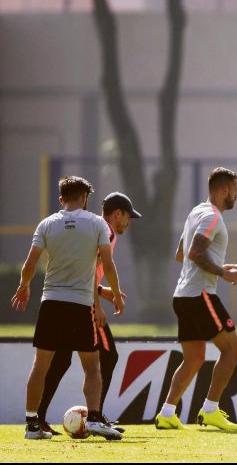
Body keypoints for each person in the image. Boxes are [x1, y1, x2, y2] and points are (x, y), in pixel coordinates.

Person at [11, 176, 125, 440]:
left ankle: (31, 424)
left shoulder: (47, 224)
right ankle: (95, 419)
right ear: (85, 198)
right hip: (81, 304)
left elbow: (30, 264)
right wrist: (116, 294)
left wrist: (24, 286)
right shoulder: (97, 223)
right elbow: (108, 266)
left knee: (40, 366)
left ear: (61, 199)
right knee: (92, 367)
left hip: (50, 303)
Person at [36, 192, 142, 436]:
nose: (129, 222)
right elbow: (92, 269)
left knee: (61, 360)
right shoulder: (106, 231)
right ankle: (95, 416)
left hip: (65, 299)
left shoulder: (91, 225)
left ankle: (39, 418)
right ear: (118, 214)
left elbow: (83, 268)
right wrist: (97, 306)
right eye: (128, 217)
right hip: (83, 304)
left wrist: (102, 290)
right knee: (108, 355)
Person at [155, 167, 237, 431]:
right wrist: (221, 272)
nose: (236, 196)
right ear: (224, 189)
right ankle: (210, 409)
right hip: (200, 294)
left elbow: (180, 254)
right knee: (232, 349)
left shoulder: (195, 212)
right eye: (235, 191)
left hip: (182, 295)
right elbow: (193, 252)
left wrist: (218, 265)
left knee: (193, 358)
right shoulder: (213, 217)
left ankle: (167, 413)